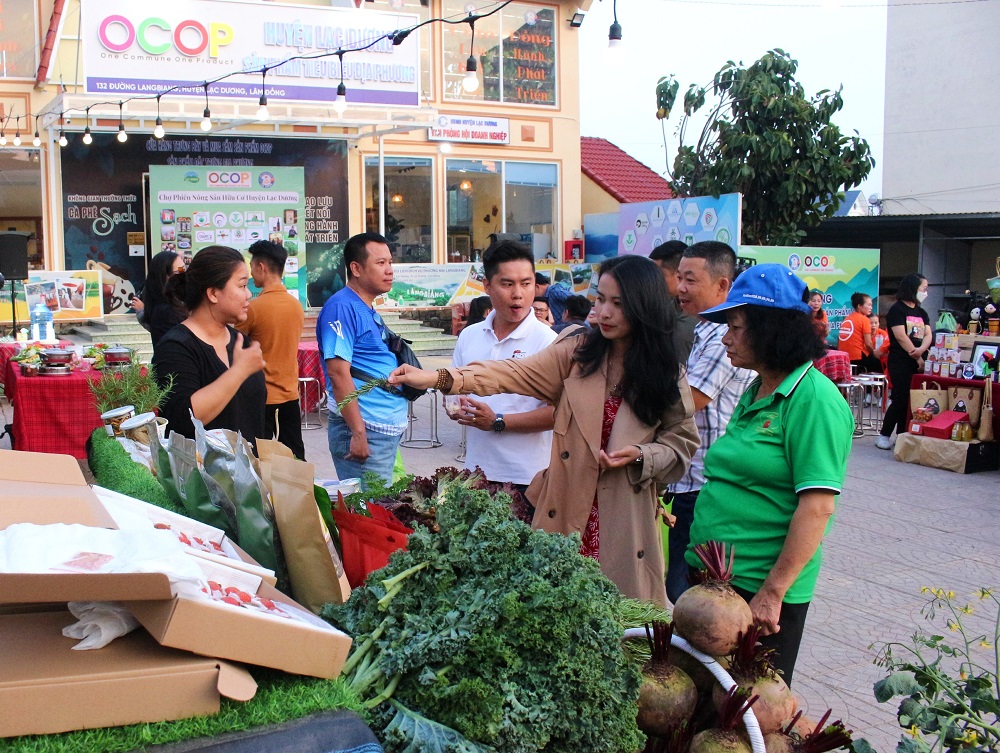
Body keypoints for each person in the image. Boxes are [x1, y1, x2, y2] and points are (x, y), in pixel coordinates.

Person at [389, 255, 700, 607]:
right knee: (554, 610)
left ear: (644, 306)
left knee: (619, 621)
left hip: (625, 517)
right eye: (601, 299)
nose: (605, 313)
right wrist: (438, 378)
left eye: (619, 303)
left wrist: (643, 456)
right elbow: (509, 373)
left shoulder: (664, 372)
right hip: (566, 508)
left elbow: (682, 440)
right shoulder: (577, 353)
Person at [686, 264, 854, 685]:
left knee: (749, 718)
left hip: (757, 594)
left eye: (736, 327)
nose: (726, 337)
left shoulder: (813, 400)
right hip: (717, 584)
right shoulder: (756, 389)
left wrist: (772, 593)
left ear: (773, 330)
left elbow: (817, 508)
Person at [667, 241, 756, 604]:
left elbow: (690, 399)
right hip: (685, 482)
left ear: (723, 285)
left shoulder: (722, 340)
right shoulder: (700, 332)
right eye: (679, 278)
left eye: (690, 279)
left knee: (687, 594)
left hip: (703, 484)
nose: (681, 288)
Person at [450, 240, 557, 504]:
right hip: (476, 473)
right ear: (487, 286)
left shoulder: (549, 342)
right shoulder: (469, 336)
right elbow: (453, 390)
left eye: (526, 283)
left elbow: (560, 412)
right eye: (507, 284)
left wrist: (498, 421)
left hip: (530, 478)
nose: (518, 294)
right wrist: (455, 407)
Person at [317, 232, 407, 487]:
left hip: (379, 429)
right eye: (380, 263)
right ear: (355, 268)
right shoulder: (341, 307)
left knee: (379, 509)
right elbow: (337, 372)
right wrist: (357, 431)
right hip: (364, 430)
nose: (389, 270)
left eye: (390, 262)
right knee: (370, 514)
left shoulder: (363, 306)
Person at [152, 246, 267, 445]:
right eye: (241, 286)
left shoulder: (241, 341)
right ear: (213, 293)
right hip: (201, 474)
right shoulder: (175, 347)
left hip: (250, 472)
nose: (249, 294)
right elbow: (183, 419)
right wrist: (239, 371)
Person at [237, 240, 306, 460]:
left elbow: (234, 345)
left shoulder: (254, 309)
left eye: (252, 268)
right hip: (290, 395)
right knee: (295, 459)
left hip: (263, 399)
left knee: (260, 460)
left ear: (262, 267)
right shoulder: (296, 306)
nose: (251, 274)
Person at [876, 273, 932, 450]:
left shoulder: (921, 311)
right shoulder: (897, 310)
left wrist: (922, 351)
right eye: (924, 288)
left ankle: (901, 434)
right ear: (913, 288)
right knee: (900, 398)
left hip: (918, 359)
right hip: (900, 360)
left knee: (910, 399)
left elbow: (928, 334)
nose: (926, 292)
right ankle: (884, 434)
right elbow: (900, 336)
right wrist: (915, 355)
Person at [649, 240, 695, 361]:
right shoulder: (665, 308)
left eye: (659, 275)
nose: (653, 281)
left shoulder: (701, 317)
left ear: (678, 274)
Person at [142, 251, 187, 348]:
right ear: (165, 276)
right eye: (180, 270)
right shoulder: (166, 311)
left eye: (185, 268)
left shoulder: (177, 303)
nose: (185, 274)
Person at [838, 292, 882, 373]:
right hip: (856, 357)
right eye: (868, 305)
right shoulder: (864, 319)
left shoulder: (847, 318)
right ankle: (872, 386)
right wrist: (875, 353)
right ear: (859, 306)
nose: (871, 308)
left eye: (871, 305)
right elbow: (868, 343)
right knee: (878, 364)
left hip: (843, 357)